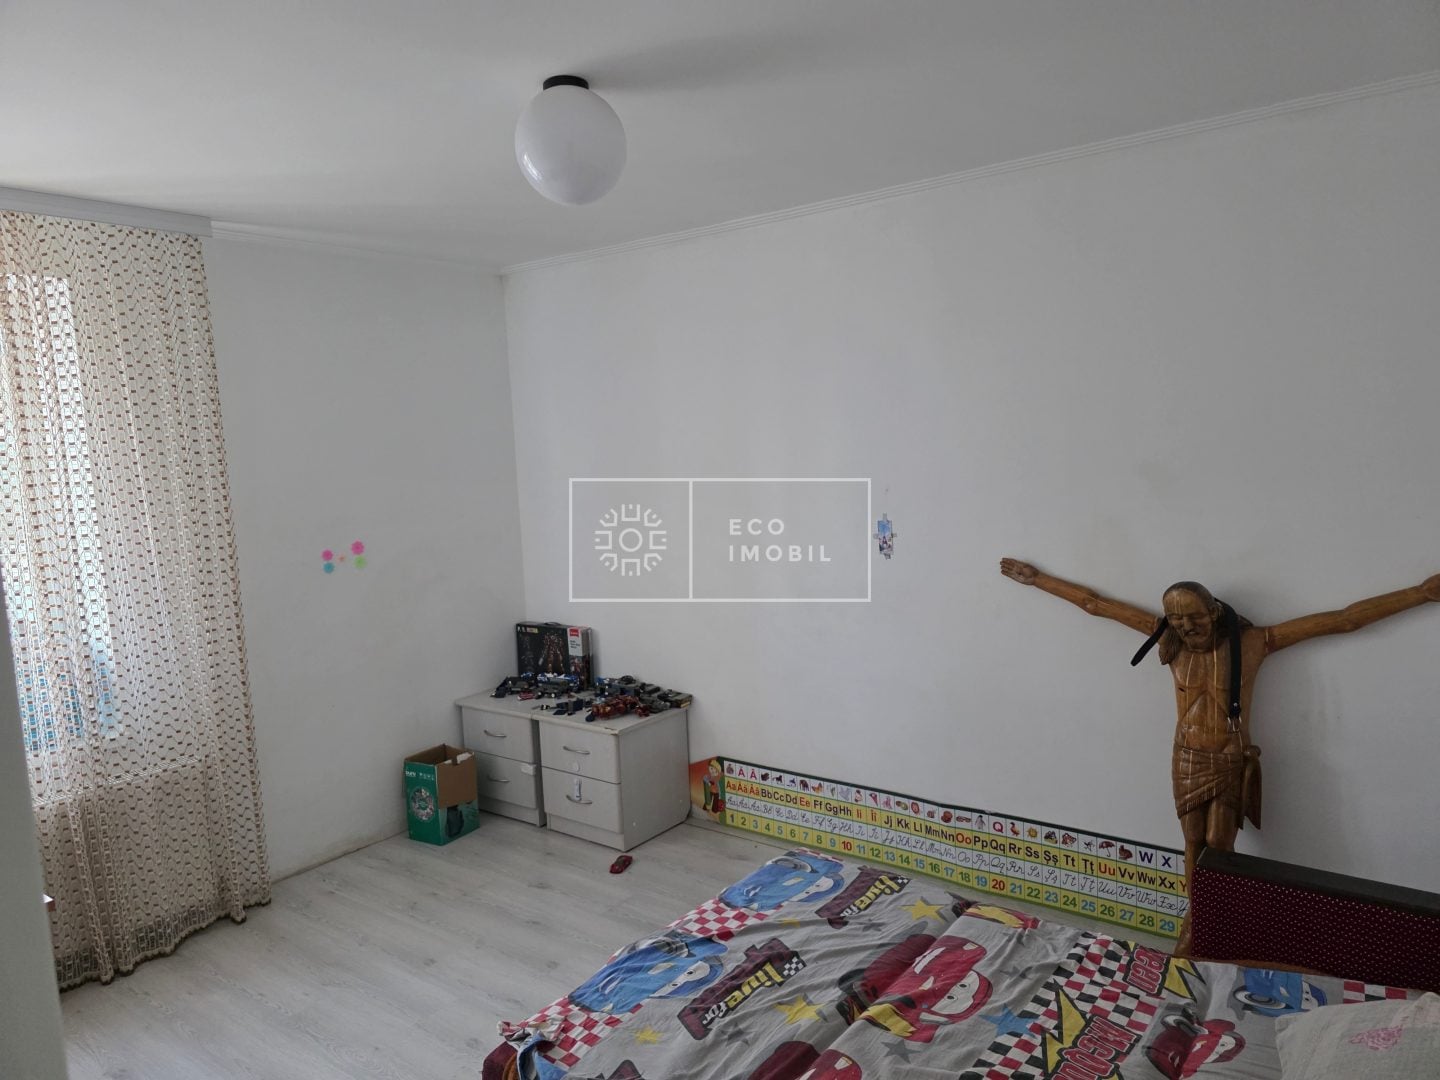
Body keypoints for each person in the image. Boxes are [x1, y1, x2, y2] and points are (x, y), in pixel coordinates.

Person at [998, 559, 1440, 895]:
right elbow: (1095, 605)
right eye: (1176, 619)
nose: (1186, 626)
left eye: (1194, 617)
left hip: (1229, 756)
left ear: (1214, 611)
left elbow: (1345, 619)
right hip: (1186, 756)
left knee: (1219, 844)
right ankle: (1198, 920)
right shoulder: (1168, 640)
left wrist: (1421, 594)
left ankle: (1219, 919)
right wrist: (1038, 580)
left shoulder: (1255, 642)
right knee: (1192, 842)